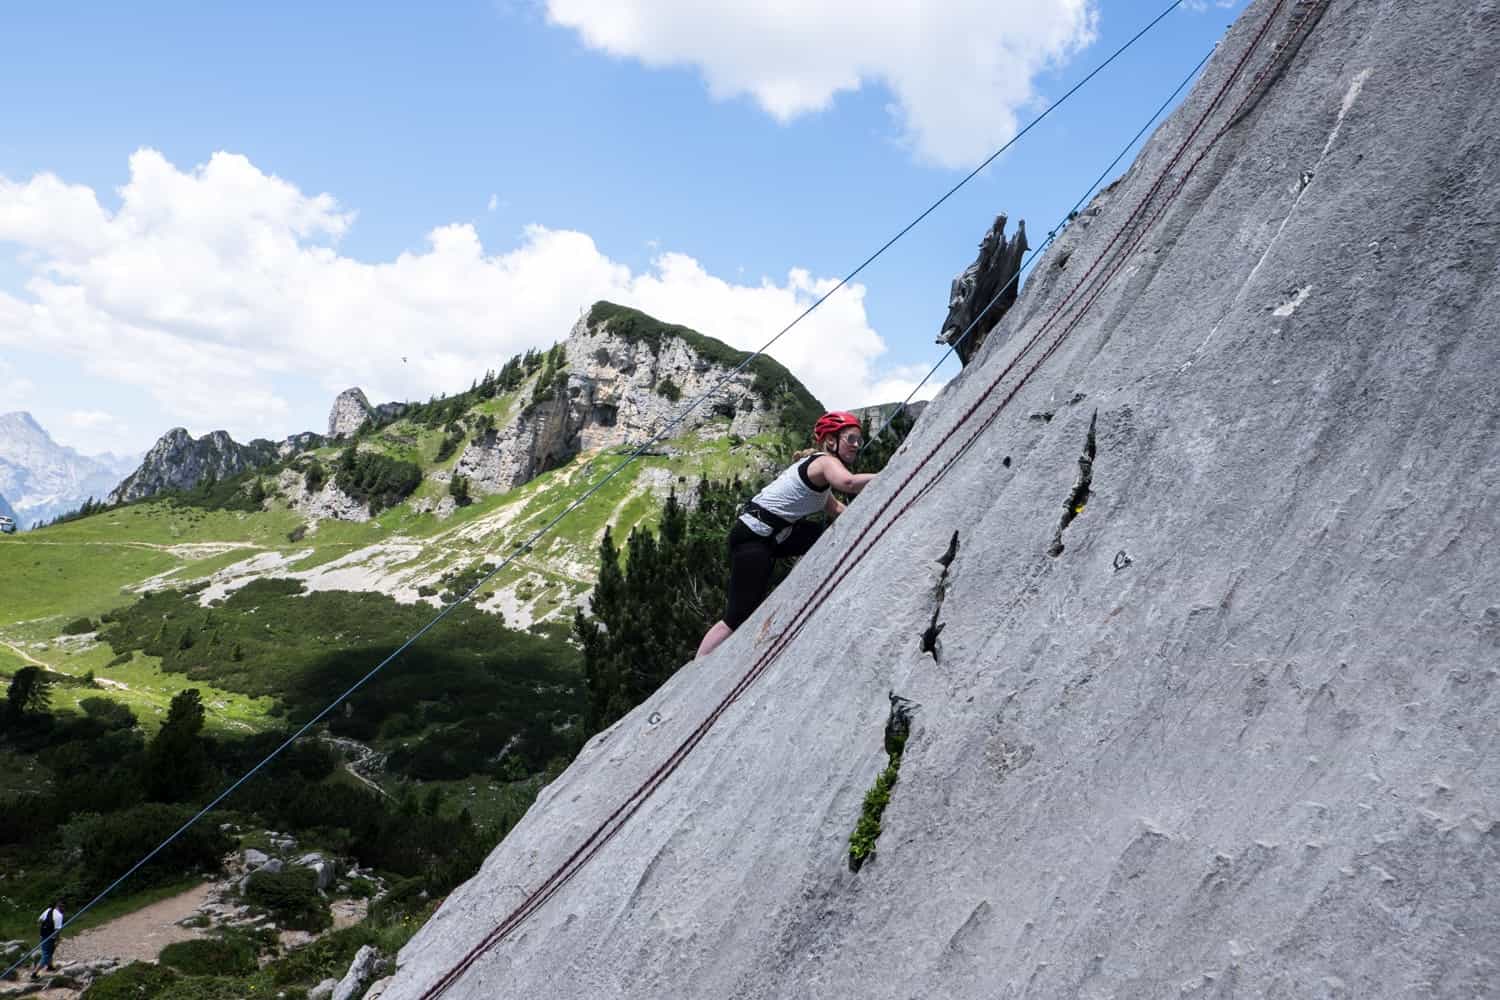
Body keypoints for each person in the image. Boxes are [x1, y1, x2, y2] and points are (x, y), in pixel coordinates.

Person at [697, 411, 876, 658]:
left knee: (823, 533)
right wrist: (889, 474)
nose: (857, 445)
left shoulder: (816, 467)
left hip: (764, 534)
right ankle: (699, 662)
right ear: (831, 440)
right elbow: (848, 483)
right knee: (737, 615)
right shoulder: (825, 462)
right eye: (851, 438)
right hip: (754, 537)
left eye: (859, 439)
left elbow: (835, 508)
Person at [33, 901, 63, 977]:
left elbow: (39, 920)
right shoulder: (59, 916)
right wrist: (57, 940)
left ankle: (50, 966)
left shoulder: (48, 910)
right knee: (46, 955)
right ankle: (34, 974)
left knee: (49, 952)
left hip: (43, 935)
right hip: (51, 937)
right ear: (61, 907)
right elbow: (57, 930)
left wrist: (42, 928)